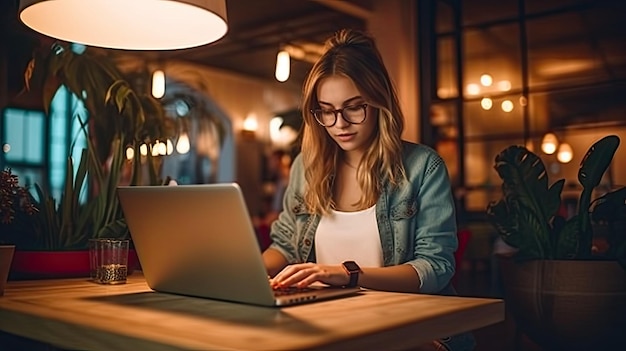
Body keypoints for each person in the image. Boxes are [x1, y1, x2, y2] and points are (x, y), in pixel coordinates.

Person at [262, 29, 475, 351]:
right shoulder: (306, 167)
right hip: (328, 323)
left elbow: (435, 268)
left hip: (411, 328)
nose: (340, 123)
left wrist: (348, 275)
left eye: (354, 107)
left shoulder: (422, 166)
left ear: (379, 102)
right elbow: (285, 247)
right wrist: (241, 271)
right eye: (327, 110)